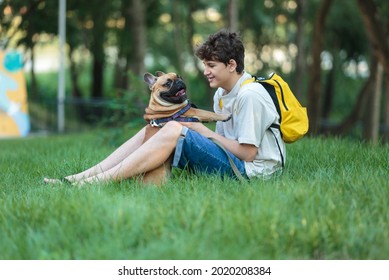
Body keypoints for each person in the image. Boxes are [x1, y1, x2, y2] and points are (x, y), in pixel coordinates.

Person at [44, 29, 285, 186]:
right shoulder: (222, 94)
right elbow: (222, 144)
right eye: (205, 65)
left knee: (172, 128)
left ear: (231, 65)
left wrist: (202, 132)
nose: (205, 71)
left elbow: (248, 154)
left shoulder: (250, 95)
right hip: (235, 162)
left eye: (211, 65)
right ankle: (78, 178)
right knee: (155, 126)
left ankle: (96, 183)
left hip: (255, 174)